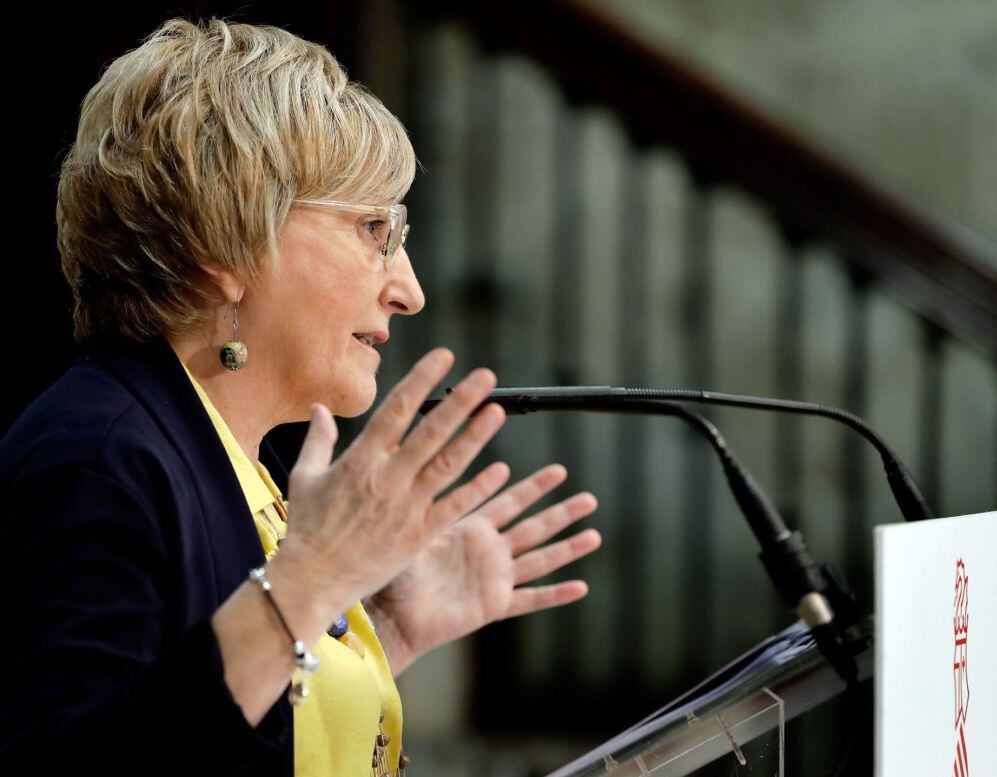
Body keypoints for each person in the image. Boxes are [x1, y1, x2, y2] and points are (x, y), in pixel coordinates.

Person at [0, 18, 601, 776]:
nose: (409, 289)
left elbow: (213, 708)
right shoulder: (96, 455)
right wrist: (308, 584)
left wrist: (378, 627)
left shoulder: (238, 456)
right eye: (373, 227)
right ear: (224, 242)